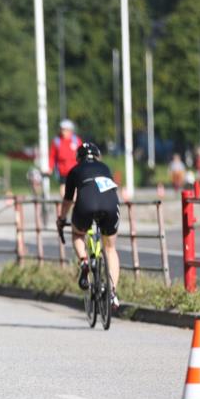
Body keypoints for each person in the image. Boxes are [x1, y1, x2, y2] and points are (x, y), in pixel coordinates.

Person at [55, 141, 121, 309]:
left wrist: (61, 219)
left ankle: (84, 261)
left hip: (86, 206)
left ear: (79, 158)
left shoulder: (74, 171)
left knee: (78, 234)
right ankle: (113, 292)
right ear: (97, 156)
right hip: (110, 205)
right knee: (110, 247)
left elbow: (68, 200)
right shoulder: (105, 168)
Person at [48, 119, 81, 197]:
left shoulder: (76, 140)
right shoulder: (56, 141)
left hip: (75, 170)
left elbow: (81, 153)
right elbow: (52, 156)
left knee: (75, 190)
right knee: (63, 189)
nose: (63, 131)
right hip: (63, 171)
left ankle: (74, 206)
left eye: (65, 129)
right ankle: (65, 205)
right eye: (62, 129)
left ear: (70, 130)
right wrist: (50, 167)